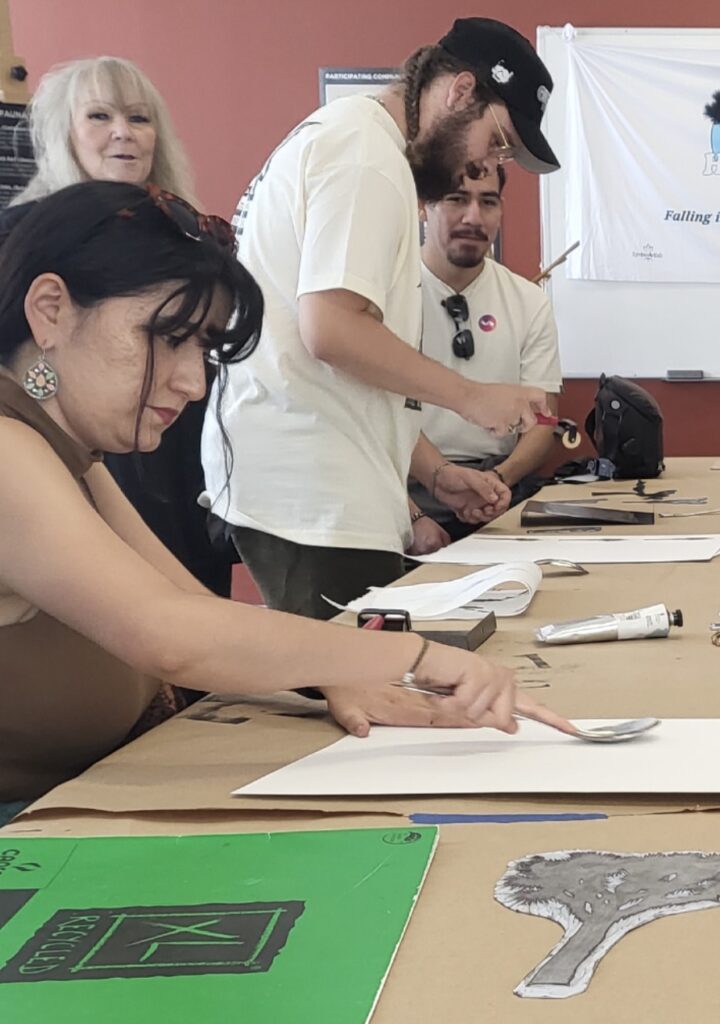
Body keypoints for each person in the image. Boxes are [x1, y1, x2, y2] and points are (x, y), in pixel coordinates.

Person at [0, 181, 568, 823]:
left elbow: (192, 606)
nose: (190, 382)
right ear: (50, 311)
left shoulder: (66, 452)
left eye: (202, 349)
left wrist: (329, 672)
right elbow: (168, 635)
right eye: (167, 336)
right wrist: (419, 655)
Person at [202, 17, 560, 619]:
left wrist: (435, 473)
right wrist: (470, 396)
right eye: (496, 142)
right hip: (314, 495)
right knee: (355, 690)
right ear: (461, 92)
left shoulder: (352, 142)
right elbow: (332, 329)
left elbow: (350, 354)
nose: (486, 164)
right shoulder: (367, 157)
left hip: (323, 482)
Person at [6, 56, 236, 598]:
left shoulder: (191, 234)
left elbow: (193, 620)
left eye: (138, 118)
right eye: (100, 116)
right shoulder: (20, 237)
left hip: (179, 460)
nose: (122, 133)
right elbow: (171, 635)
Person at [411, 165, 562, 544]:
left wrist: (498, 480)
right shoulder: (387, 294)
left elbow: (544, 421)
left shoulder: (529, 302)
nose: (473, 217)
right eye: (457, 200)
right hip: (408, 488)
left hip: (500, 487)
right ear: (423, 206)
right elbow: (370, 420)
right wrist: (410, 517)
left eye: (488, 202)